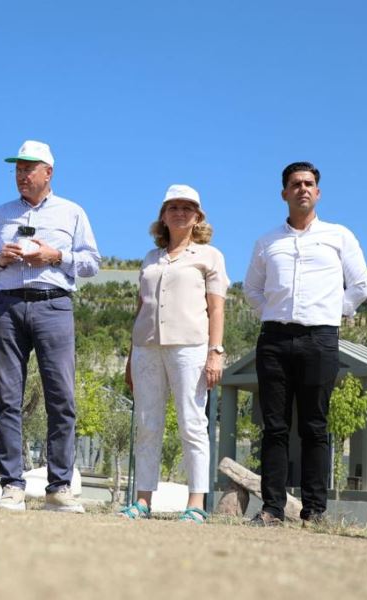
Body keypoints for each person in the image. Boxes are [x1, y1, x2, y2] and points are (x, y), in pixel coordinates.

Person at [0, 140, 100, 512]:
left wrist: (55, 255)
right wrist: (0, 257)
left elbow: (92, 262)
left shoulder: (72, 212)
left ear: (49, 172)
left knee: (61, 398)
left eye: (29, 169)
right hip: (8, 306)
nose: (22, 175)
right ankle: (12, 485)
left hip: (54, 305)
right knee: (7, 398)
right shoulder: (0, 214)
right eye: (17, 169)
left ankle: (59, 488)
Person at [243, 162, 367, 525]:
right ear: (284, 192)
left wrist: (332, 312)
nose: (302, 189)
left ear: (318, 193)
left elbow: (359, 286)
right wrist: (271, 311)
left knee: (315, 425)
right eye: (295, 184)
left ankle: (315, 511)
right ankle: (272, 509)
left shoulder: (339, 236)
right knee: (274, 426)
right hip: (274, 339)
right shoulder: (267, 241)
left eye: (309, 184)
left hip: (320, 338)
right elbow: (251, 289)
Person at [121, 185, 229, 524]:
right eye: (173, 207)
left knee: (192, 423)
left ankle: (195, 503)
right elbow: (141, 307)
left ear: (198, 217)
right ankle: (142, 501)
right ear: (163, 216)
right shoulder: (150, 260)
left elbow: (216, 309)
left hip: (190, 348)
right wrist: (129, 357)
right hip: (146, 348)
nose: (180, 212)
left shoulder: (210, 256)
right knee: (147, 424)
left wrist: (215, 352)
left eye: (188, 207)